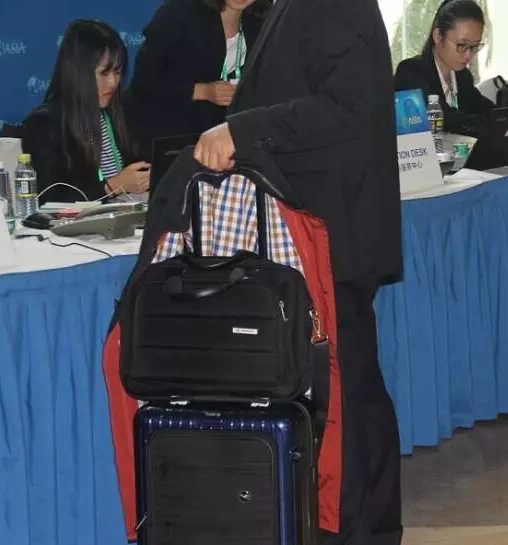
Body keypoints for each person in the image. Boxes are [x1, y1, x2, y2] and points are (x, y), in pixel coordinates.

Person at [192, 0, 403, 543]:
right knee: (350, 387)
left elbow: (346, 106)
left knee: (349, 393)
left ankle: (358, 528)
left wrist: (242, 129)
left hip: (332, 232)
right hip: (314, 231)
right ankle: (361, 524)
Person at [394, 0, 508, 142]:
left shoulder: (461, 75)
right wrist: (497, 127)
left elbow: (484, 108)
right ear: (438, 36)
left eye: (475, 46)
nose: (469, 54)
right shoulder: (411, 72)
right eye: (462, 45)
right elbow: (447, 117)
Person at [22, 20, 149, 204]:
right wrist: (113, 186)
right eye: (104, 73)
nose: (113, 83)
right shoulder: (43, 124)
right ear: (79, 73)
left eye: (117, 72)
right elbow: (49, 198)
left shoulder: (121, 113)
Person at [127, 0, 268, 156]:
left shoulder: (260, 23)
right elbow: (146, 75)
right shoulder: (179, 13)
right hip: (163, 131)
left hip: (216, 135)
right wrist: (201, 91)